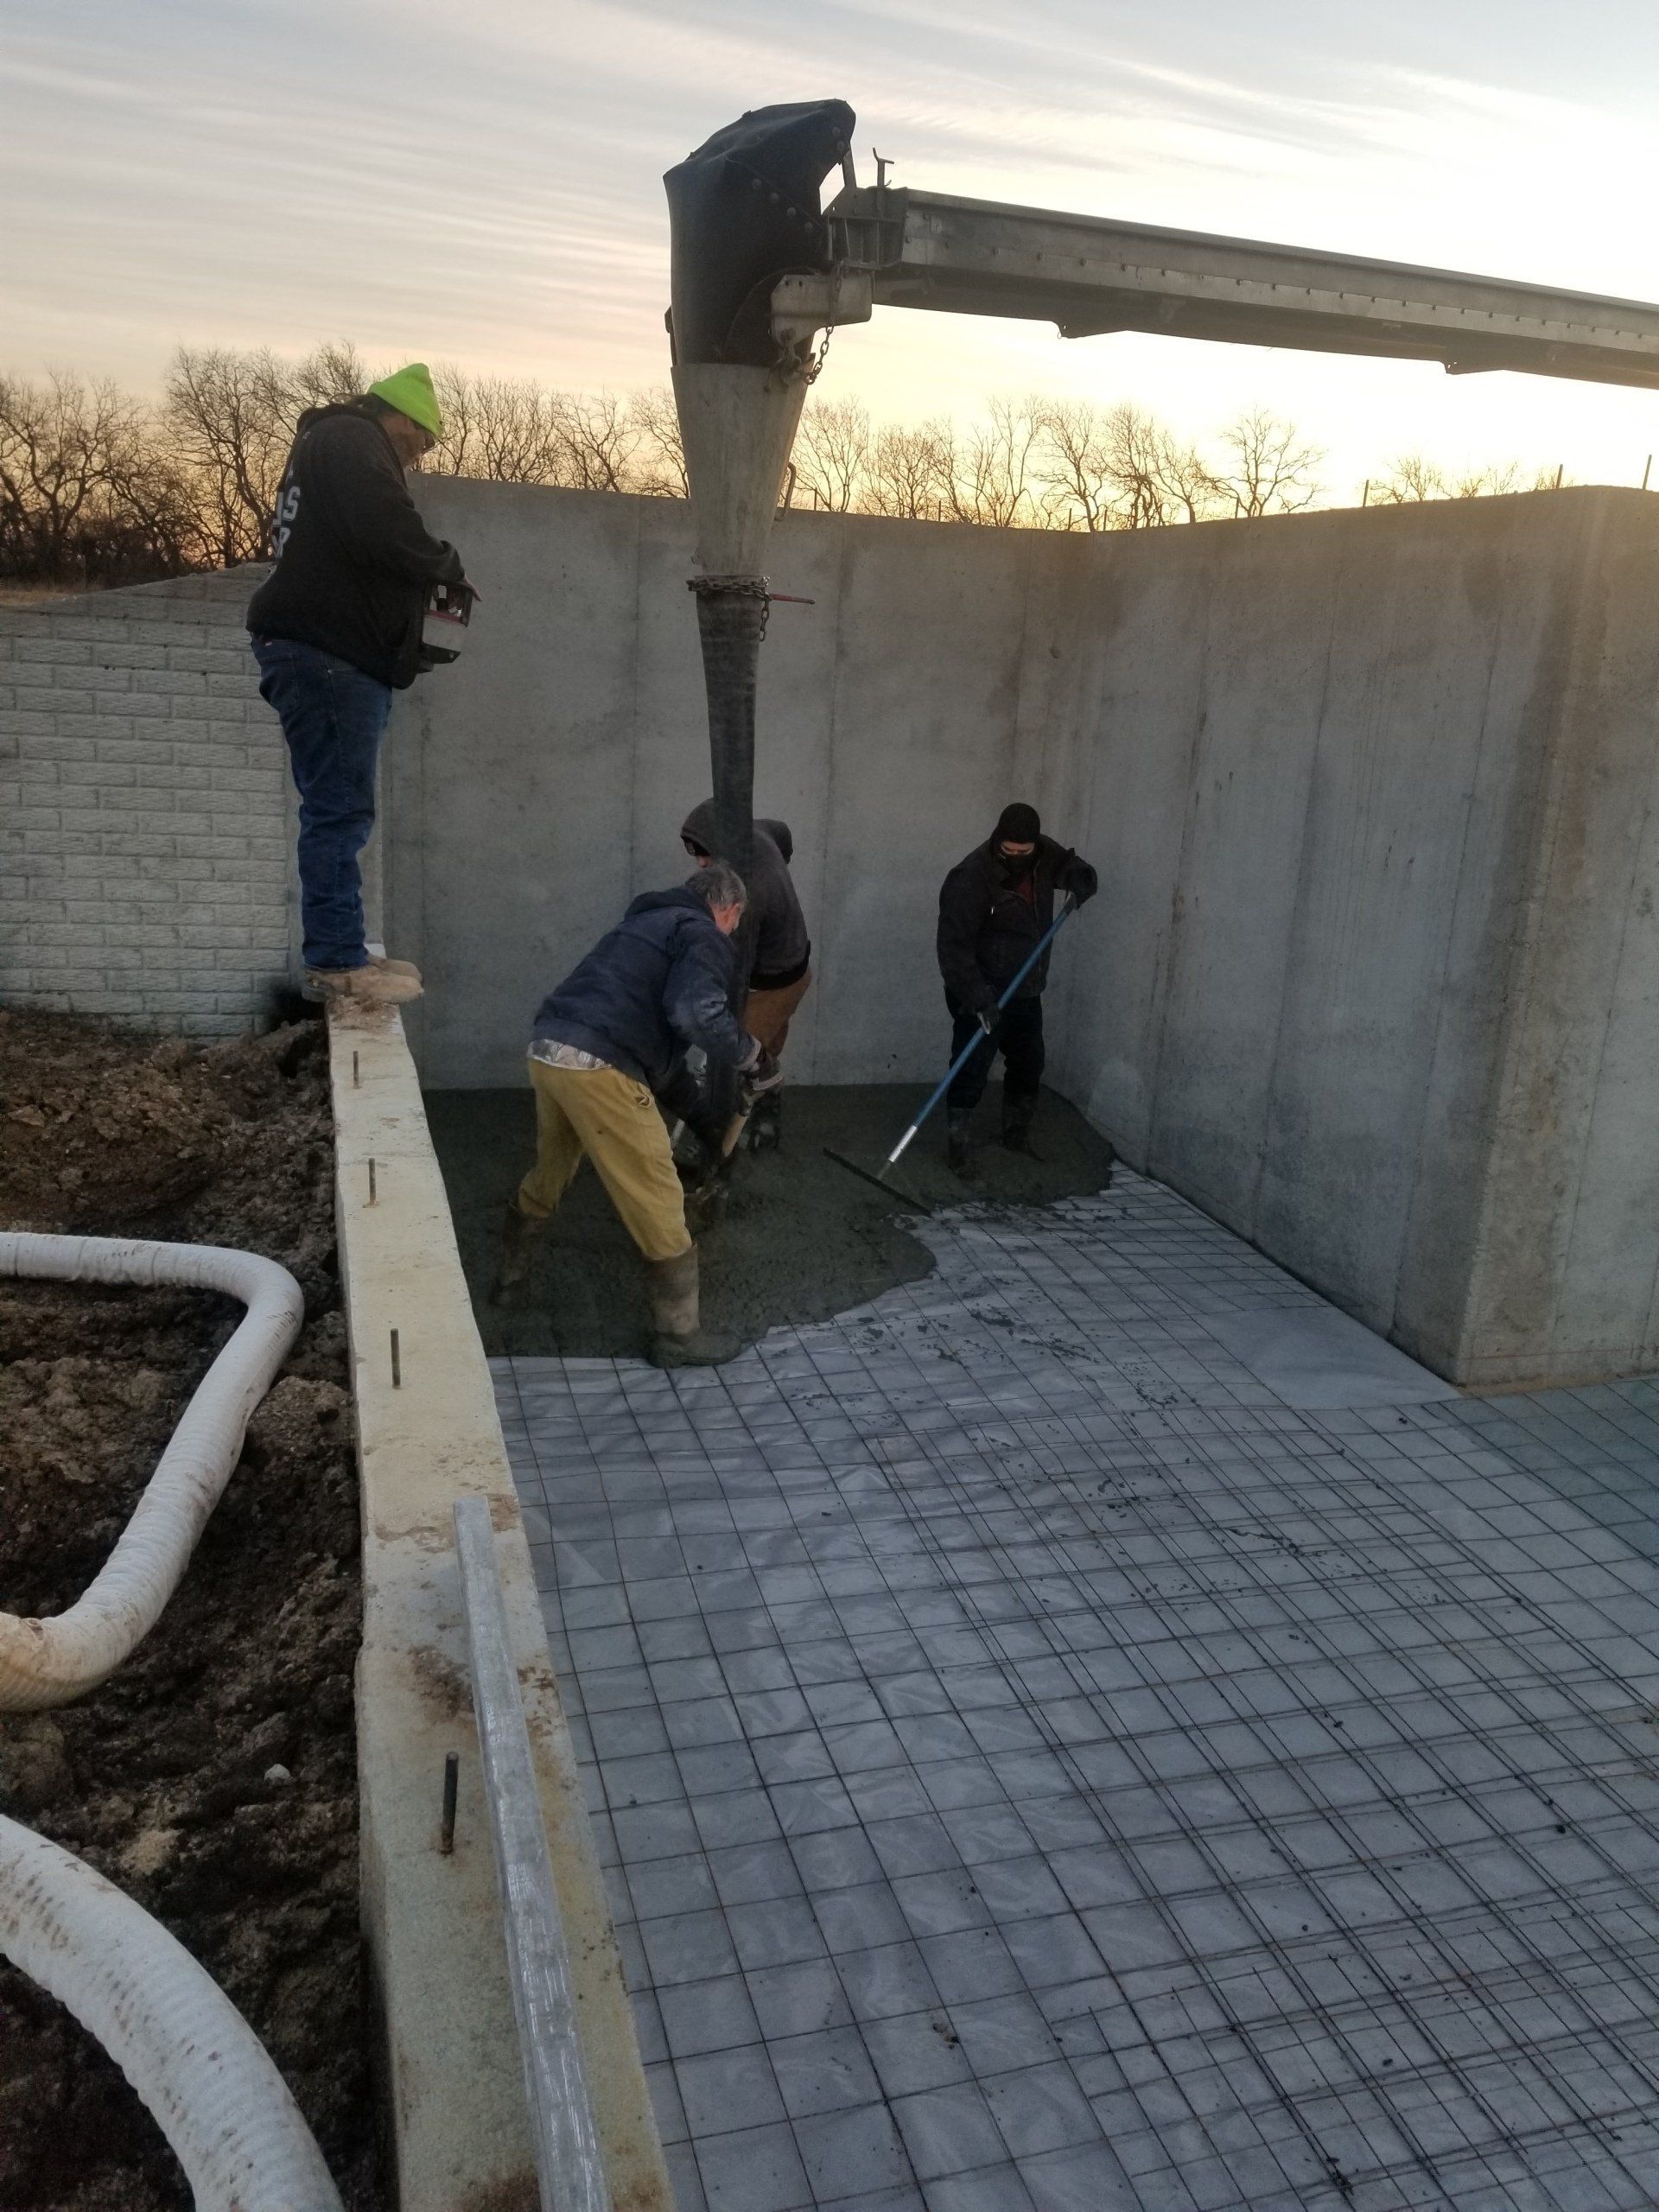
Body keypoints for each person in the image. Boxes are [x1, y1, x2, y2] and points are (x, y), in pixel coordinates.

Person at [246, 363, 471, 1007]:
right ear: (399, 417)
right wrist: (444, 564)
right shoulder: (351, 441)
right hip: (328, 654)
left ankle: (341, 947)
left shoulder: (325, 444)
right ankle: (339, 961)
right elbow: (384, 528)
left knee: (337, 808)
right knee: (338, 811)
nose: (420, 453)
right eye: (421, 439)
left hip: (323, 651)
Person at [494, 863, 777, 1367]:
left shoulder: (640, 928)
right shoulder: (704, 935)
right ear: (729, 910)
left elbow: (654, 1051)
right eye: (735, 923)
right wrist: (754, 1056)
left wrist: (706, 1119)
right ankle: (678, 1337)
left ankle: (508, 1284)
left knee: (552, 1170)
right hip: (601, 1067)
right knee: (659, 1195)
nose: (731, 932)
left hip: (549, 1048)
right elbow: (695, 1013)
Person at [936, 802, 1097, 1176]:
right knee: (971, 1067)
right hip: (982, 990)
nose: (1016, 858)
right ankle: (958, 1149)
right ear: (998, 841)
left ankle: (1016, 1134)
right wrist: (978, 999)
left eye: (1024, 852)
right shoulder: (970, 877)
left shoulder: (1044, 854)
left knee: (1029, 1063)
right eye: (1009, 851)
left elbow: (1069, 866)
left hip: (1025, 987)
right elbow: (953, 949)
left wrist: (1081, 879)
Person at [679, 801, 810, 1151]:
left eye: (705, 854)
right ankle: (763, 1118)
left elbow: (729, 967)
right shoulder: (757, 832)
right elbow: (782, 830)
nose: (701, 863)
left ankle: (715, 1141)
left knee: (733, 1058)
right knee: (762, 1048)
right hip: (794, 962)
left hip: (775, 983)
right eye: (694, 854)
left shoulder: (747, 897)